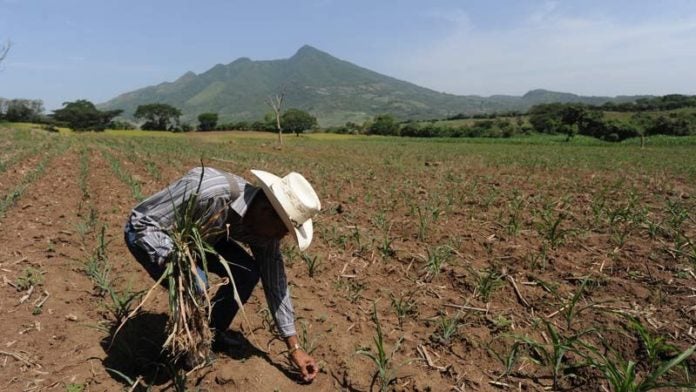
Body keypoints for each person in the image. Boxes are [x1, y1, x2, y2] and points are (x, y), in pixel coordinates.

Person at [123, 166, 321, 382]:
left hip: (205, 238)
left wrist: (294, 347)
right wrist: (178, 261)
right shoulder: (210, 193)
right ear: (266, 210)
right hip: (152, 234)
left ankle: (211, 332)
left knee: (246, 272)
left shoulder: (264, 227)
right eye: (282, 231)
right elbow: (141, 223)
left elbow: (275, 280)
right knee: (196, 281)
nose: (280, 238)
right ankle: (189, 349)